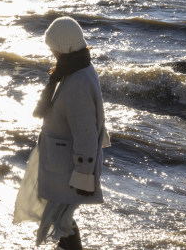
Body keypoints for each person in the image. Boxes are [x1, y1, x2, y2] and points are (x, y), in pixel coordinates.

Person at [15, 16, 110, 250]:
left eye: (53, 48)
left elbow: (86, 132)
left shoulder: (78, 80)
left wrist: (83, 175)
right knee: (63, 221)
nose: (51, 52)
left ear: (64, 47)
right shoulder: (75, 69)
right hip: (62, 162)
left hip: (69, 168)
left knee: (63, 221)